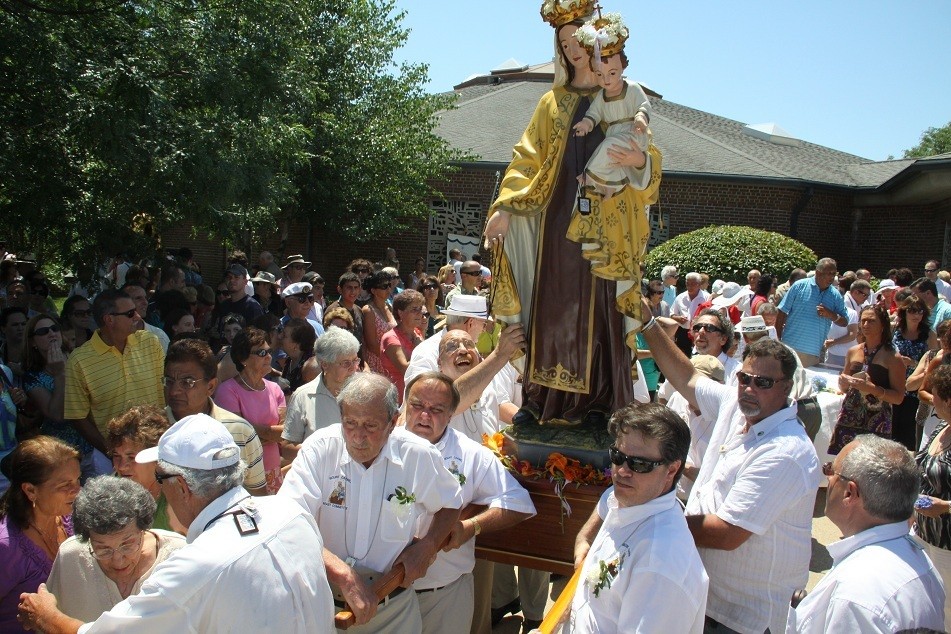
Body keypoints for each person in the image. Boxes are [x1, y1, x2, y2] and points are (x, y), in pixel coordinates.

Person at [483, 0, 661, 428]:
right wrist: (506, 205)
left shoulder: (621, 95)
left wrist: (639, 162)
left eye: (577, 40)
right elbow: (527, 158)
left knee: (602, 308)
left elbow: (647, 158)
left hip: (607, 224)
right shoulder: (552, 101)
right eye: (563, 43)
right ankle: (542, 400)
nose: (571, 50)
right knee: (554, 305)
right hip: (556, 220)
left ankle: (601, 402)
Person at [17, 414, 336, 633]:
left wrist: (47, 617)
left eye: (159, 477)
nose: (157, 488)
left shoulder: (194, 566)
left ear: (182, 486)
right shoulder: (290, 512)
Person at [639, 301, 820, 634]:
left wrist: (650, 524)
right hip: (706, 597)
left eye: (763, 383)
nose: (749, 388)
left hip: (741, 619)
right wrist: (646, 320)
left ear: (786, 388)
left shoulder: (785, 452)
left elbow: (727, 532)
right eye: (744, 378)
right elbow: (687, 375)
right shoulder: (736, 405)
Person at [278, 373, 463, 632]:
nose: (357, 437)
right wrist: (342, 574)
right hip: (321, 608)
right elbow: (287, 521)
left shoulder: (418, 455)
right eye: (350, 423)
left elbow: (451, 503)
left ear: (392, 422)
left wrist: (429, 545)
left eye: (370, 426)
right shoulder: (319, 449)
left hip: (393, 609)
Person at [403, 372, 535, 634]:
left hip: (444, 595)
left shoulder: (471, 454)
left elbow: (518, 502)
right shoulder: (381, 445)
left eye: (436, 409)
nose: (424, 415)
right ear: (405, 404)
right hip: (388, 597)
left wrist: (469, 527)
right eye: (417, 405)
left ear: (452, 414)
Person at [570, 403, 708, 633]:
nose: (622, 471)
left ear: (672, 471)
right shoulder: (630, 497)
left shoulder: (660, 566)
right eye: (617, 456)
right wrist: (583, 537)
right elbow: (607, 501)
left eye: (639, 464)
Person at [789, 436, 945, 632]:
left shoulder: (855, 594)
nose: (828, 479)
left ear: (849, 493)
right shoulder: (918, 559)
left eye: (831, 471)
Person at [45, 476, 186, 622]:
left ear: (143, 530)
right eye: (103, 549)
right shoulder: (71, 556)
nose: (118, 561)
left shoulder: (179, 555)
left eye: (127, 545)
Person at [64, 289, 165, 477]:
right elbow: (77, 415)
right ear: (109, 319)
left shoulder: (151, 342)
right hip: (112, 461)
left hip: (156, 450)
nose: (137, 316)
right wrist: (111, 452)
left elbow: (164, 389)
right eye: (129, 313)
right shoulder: (79, 360)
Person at [163, 338, 267, 496]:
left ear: (211, 386)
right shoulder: (152, 430)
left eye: (187, 382)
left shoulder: (240, 431)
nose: (174, 391)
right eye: (169, 381)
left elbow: (257, 496)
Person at [0, 437, 80, 630]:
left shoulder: (74, 519)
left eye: (78, 479)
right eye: (65, 485)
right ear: (30, 490)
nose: (76, 490)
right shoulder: (6, 546)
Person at [572, 13, 652, 199]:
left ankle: (589, 177)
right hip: (615, 135)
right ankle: (610, 188)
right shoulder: (601, 96)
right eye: (600, 75)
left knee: (607, 147)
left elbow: (643, 104)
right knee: (612, 160)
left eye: (612, 73)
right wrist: (586, 124)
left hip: (633, 134)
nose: (606, 80)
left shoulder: (631, 88)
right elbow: (594, 113)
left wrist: (640, 117)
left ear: (622, 68)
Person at [22, 314, 95, 476]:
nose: (51, 333)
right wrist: (60, 374)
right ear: (33, 342)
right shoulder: (32, 377)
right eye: (43, 331)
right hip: (60, 455)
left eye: (55, 328)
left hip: (92, 446)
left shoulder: (78, 358)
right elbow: (58, 415)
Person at [215, 327, 285, 494]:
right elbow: (236, 438)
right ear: (243, 359)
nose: (268, 356)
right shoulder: (227, 391)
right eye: (261, 353)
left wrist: (252, 433)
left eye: (269, 351)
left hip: (272, 470)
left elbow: (285, 433)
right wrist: (269, 435)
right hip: (243, 476)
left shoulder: (275, 389)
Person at [828, 305, 907, 454]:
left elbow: (898, 398)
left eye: (871, 321)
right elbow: (844, 388)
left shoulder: (892, 357)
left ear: (882, 325)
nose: (865, 325)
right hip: (850, 417)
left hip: (877, 422)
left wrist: (872, 389)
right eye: (863, 321)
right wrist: (843, 383)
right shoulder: (853, 351)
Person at [281, 326, 360, 457]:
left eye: (355, 361)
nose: (353, 368)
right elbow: (287, 448)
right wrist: (322, 455)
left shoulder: (366, 391)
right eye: (346, 363)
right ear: (325, 364)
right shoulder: (303, 396)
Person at [777, 258, 848, 367]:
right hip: (789, 347)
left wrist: (831, 315)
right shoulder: (799, 286)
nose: (832, 277)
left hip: (812, 353)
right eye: (829, 273)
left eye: (834, 274)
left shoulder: (835, 295)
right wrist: (778, 340)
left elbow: (845, 322)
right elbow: (782, 311)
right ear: (818, 273)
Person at [892, 294, 933, 451]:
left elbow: (933, 361)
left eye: (920, 311)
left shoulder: (929, 334)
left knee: (909, 437)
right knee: (891, 434)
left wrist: (913, 363)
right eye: (912, 310)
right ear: (904, 311)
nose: (916, 315)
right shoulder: (894, 330)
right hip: (894, 386)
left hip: (915, 390)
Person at [380, 289, 426, 403]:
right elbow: (406, 369)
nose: (420, 313)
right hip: (397, 400)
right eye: (414, 309)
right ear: (400, 313)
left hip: (416, 397)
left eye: (420, 309)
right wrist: (419, 348)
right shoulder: (390, 338)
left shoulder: (417, 333)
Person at [361, 270, 397, 376]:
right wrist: (391, 359)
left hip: (392, 359)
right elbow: (371, 345)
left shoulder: (390, 307)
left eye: (389, 285)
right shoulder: (368, 310)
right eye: (384, 286)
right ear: (373, 290)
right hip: (377, 361)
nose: (388, 289)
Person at [278, 317, 318, 394]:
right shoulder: (290, 361)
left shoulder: (310, 367)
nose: (280, 337)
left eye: (284, 335)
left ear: (296, 346)